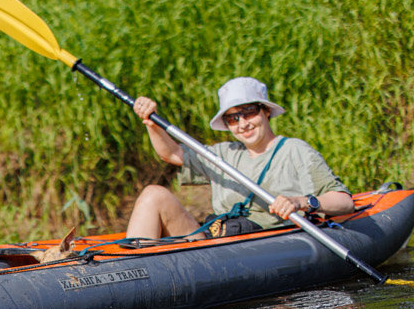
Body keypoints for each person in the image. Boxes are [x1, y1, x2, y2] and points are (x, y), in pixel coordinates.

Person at [125, 76, 353, 240]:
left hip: (266, 246)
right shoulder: (223, 153)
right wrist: (152, 123)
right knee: (153, 194)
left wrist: (301, 201)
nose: (243, 124)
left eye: (249, 112)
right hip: (217, 241)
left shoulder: (295, 151)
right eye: (233, 118)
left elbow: (344, 202)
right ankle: (131, 270)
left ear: (265, 111)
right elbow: (171, 153)